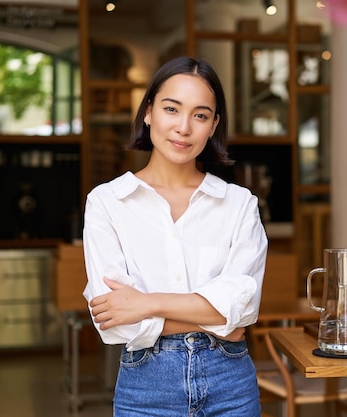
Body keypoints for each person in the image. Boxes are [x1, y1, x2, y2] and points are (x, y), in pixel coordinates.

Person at [82, 56, 268, 417]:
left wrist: (148, 302)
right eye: (171, 109)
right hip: (145, 389)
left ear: (213, 125)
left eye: (200, 115)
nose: (183, 127)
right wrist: (217, 318)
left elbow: (243, 309)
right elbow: (115, 320)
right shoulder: (107, 202)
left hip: (230, 385)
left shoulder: (239, 204)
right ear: (149, 111)